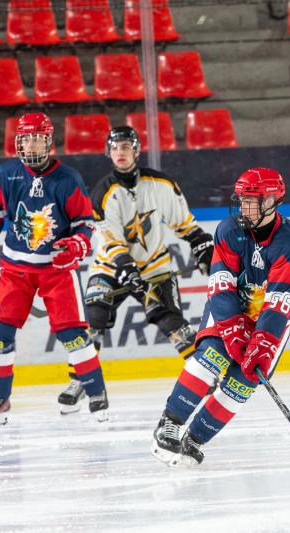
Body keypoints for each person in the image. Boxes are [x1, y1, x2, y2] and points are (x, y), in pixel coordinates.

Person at [150, 168, 290, 468]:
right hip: (231, 307)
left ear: (273, 201)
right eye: (242, 200)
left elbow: (279, 304)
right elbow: (221, 286)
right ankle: (169, 424)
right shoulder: (228, 230)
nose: (244, 207)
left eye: (253, 200)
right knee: (212, 354)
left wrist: (263, 341)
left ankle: (194, 440)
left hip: (272, 317)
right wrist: (232, 328)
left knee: (244, 380)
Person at [57, 126, 214, 414]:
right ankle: (80, 378)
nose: (120, 152)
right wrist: (128, 270)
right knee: (93, 316)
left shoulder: (161, 184)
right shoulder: (103, 193)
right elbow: (111, 240)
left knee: (171, 321)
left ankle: (203, 374)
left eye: (126, 146)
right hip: (110, 267)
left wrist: (202, 246)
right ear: (108, 152)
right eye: (115, 147)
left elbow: (184, 223)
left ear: (136, 150)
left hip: (154, 267)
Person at [0, 112, 107, 427]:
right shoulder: (4, 175)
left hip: (56, 270)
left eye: (38, 138)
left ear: (49, 141)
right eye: (26, 138)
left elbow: (85, 223)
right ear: (18, 141)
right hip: (14, 269)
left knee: (72, 335)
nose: (31, 144)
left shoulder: (68, 178)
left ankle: (96, 392)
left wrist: (76, 245)